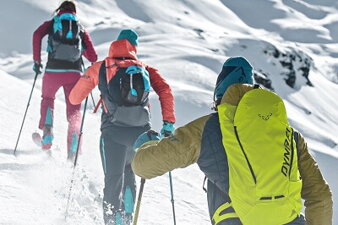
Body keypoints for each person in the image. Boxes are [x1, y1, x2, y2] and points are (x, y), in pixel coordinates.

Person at [132, 57, 333, 225]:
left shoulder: (209, 128)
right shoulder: (290, 134)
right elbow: (320, 196)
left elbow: (144, 166)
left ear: (219, 96)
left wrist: (146, 146)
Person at [69, 29, 176, 225]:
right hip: (141, 134)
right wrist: (168, 123)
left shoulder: (101, 67)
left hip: (112, 133)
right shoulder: (144, 68)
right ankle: (127, 216)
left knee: (113, 180)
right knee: (130, 174)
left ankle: (112, 220)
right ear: (134, 47)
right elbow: (165, 90)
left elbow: (74, 97)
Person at [32, 0, 97, 158]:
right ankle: (73, 148)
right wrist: (79, 51)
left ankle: (47, 136)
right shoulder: (79, 27)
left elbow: (37, 34)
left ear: (59, 9)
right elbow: (93, 56)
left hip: (53, 70)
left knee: (48, 99)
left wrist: (37, 61)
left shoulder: (53, 22)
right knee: (74, 110)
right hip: (74, 73)